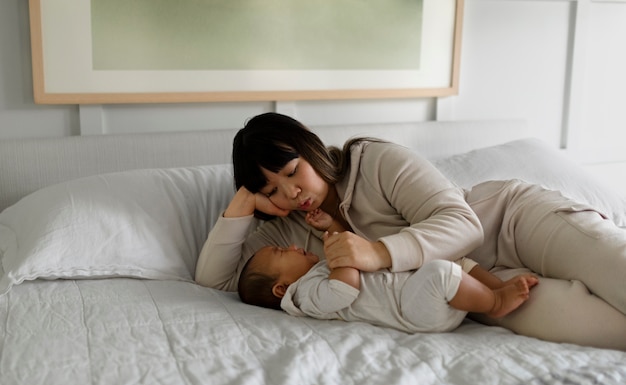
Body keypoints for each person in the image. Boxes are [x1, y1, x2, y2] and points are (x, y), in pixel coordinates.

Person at [196, 112, 626, 350]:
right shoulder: (289, 235)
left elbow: (463, 224)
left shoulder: (373, 160)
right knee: (606, 332)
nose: (292, 193)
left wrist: (377, 254)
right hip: (476, 288)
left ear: (309, 146)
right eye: (273, 188)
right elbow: (215, 281)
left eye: (293, 172)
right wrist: (244, 203)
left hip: (512, 222)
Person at [238, 209, 539, 334]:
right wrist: (339, 258)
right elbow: (344, 289)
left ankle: (496, 289)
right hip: (413, 311)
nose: (291, 245)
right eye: (281, 252)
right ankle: (495, 304)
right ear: (281, 288)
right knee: (440, 273)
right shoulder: (303, 295)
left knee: (452, 260)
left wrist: (331, 228)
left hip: (416, 292)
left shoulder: (316, 271)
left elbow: (352, 251)